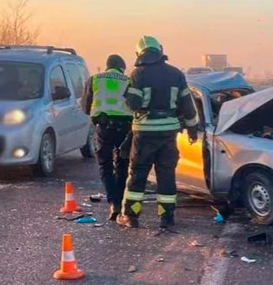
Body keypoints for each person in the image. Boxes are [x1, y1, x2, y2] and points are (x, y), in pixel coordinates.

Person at [119, 36, 198, 229]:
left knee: (138, 174)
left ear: (140, 53)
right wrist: (192, 129)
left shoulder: (138, 74)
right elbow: (188, 106)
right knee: (166, 175)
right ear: (159, 50)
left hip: (145, 133)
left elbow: (133, 104)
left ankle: (131, 216)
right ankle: (167, 218)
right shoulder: (176, 74)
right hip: (169, 133)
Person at [82, 54, 132, 221]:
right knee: (123, 163)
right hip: (125, 127)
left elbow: (85, 107)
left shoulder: (95, 79)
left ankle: (113, 202)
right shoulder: (128, 80)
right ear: (121, 67)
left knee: (105, 165)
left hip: (104, 127)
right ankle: (120, 199)